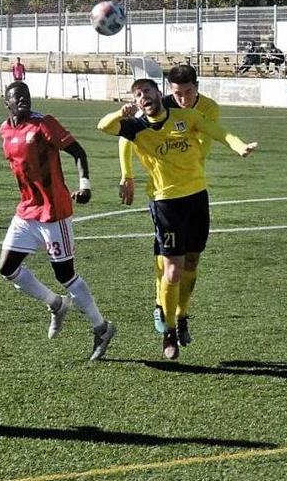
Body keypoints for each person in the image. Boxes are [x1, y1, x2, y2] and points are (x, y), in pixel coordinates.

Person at [97, 78, 257, 359]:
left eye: (147, 90)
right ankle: (169, 331)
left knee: (193, 260)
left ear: (159, 93)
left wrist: (239, 146)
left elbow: (218, 131)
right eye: (137, 94)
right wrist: (118, 115)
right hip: (166, 203)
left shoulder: (187, 117)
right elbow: (105, 127)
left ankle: (181, 316)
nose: (143, 96)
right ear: (135, 102)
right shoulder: (136, 127)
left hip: (197, 197)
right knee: (173, 270)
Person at [0, 81, 115, 361]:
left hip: (53, 212)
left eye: (26, 95)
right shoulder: (4, 130)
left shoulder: (44, 124)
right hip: (26, 212)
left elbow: (78, 152)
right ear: (7, 103)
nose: (23, 100)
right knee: (7, 268)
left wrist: (84, 185)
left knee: (66, 275)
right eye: (17, 97)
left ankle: (102, 327)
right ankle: (56, 304)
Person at [118, 65, 219, 339]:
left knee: (191, 260)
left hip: (194, 190)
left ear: (197, 87)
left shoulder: (209, 108)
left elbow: (206, 139)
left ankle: (180, 313)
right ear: (167, 90)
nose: (182, 99)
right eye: (177, 93)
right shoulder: (156, 105)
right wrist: (127, 175)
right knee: (167, 261)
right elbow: (127, 136)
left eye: (188, 93)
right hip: (162, 194)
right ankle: (161, 306)